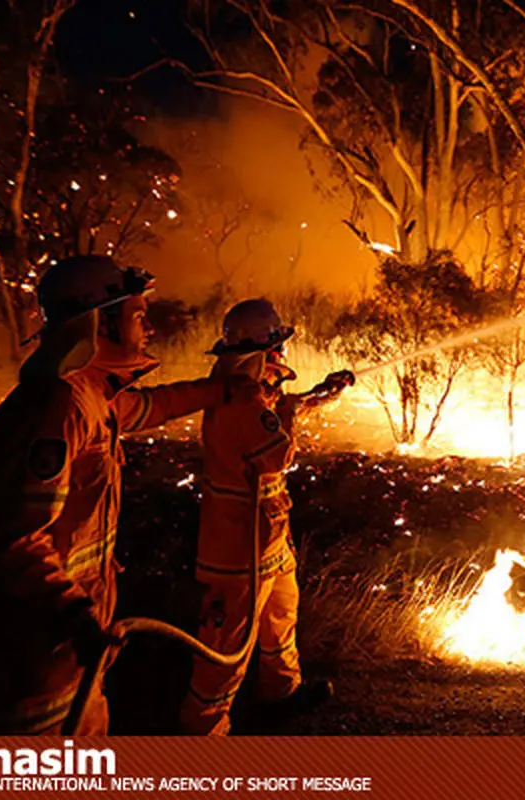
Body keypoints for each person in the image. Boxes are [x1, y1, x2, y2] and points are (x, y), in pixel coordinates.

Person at [0, 255, 258, 735]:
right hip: (39, 647)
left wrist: (220, 390)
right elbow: (13, 537)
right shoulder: (61, 407)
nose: (148, 329)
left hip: (70, 644)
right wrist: (73, 611)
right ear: (98, 322)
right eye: (139, 317)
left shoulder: (90, 396)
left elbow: (153, 405)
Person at [180, 298, 353, 736]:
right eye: (277, 347)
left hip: (268, 535)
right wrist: (294, 413)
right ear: (262, 351)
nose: (283, 355)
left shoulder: (248, 389)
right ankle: (201, 731)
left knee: (281, 616)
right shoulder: (240, 399)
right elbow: (278, 454)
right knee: (229, 643)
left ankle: (281, 694)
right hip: (238, 547)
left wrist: (320, 395)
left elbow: (278, 407)